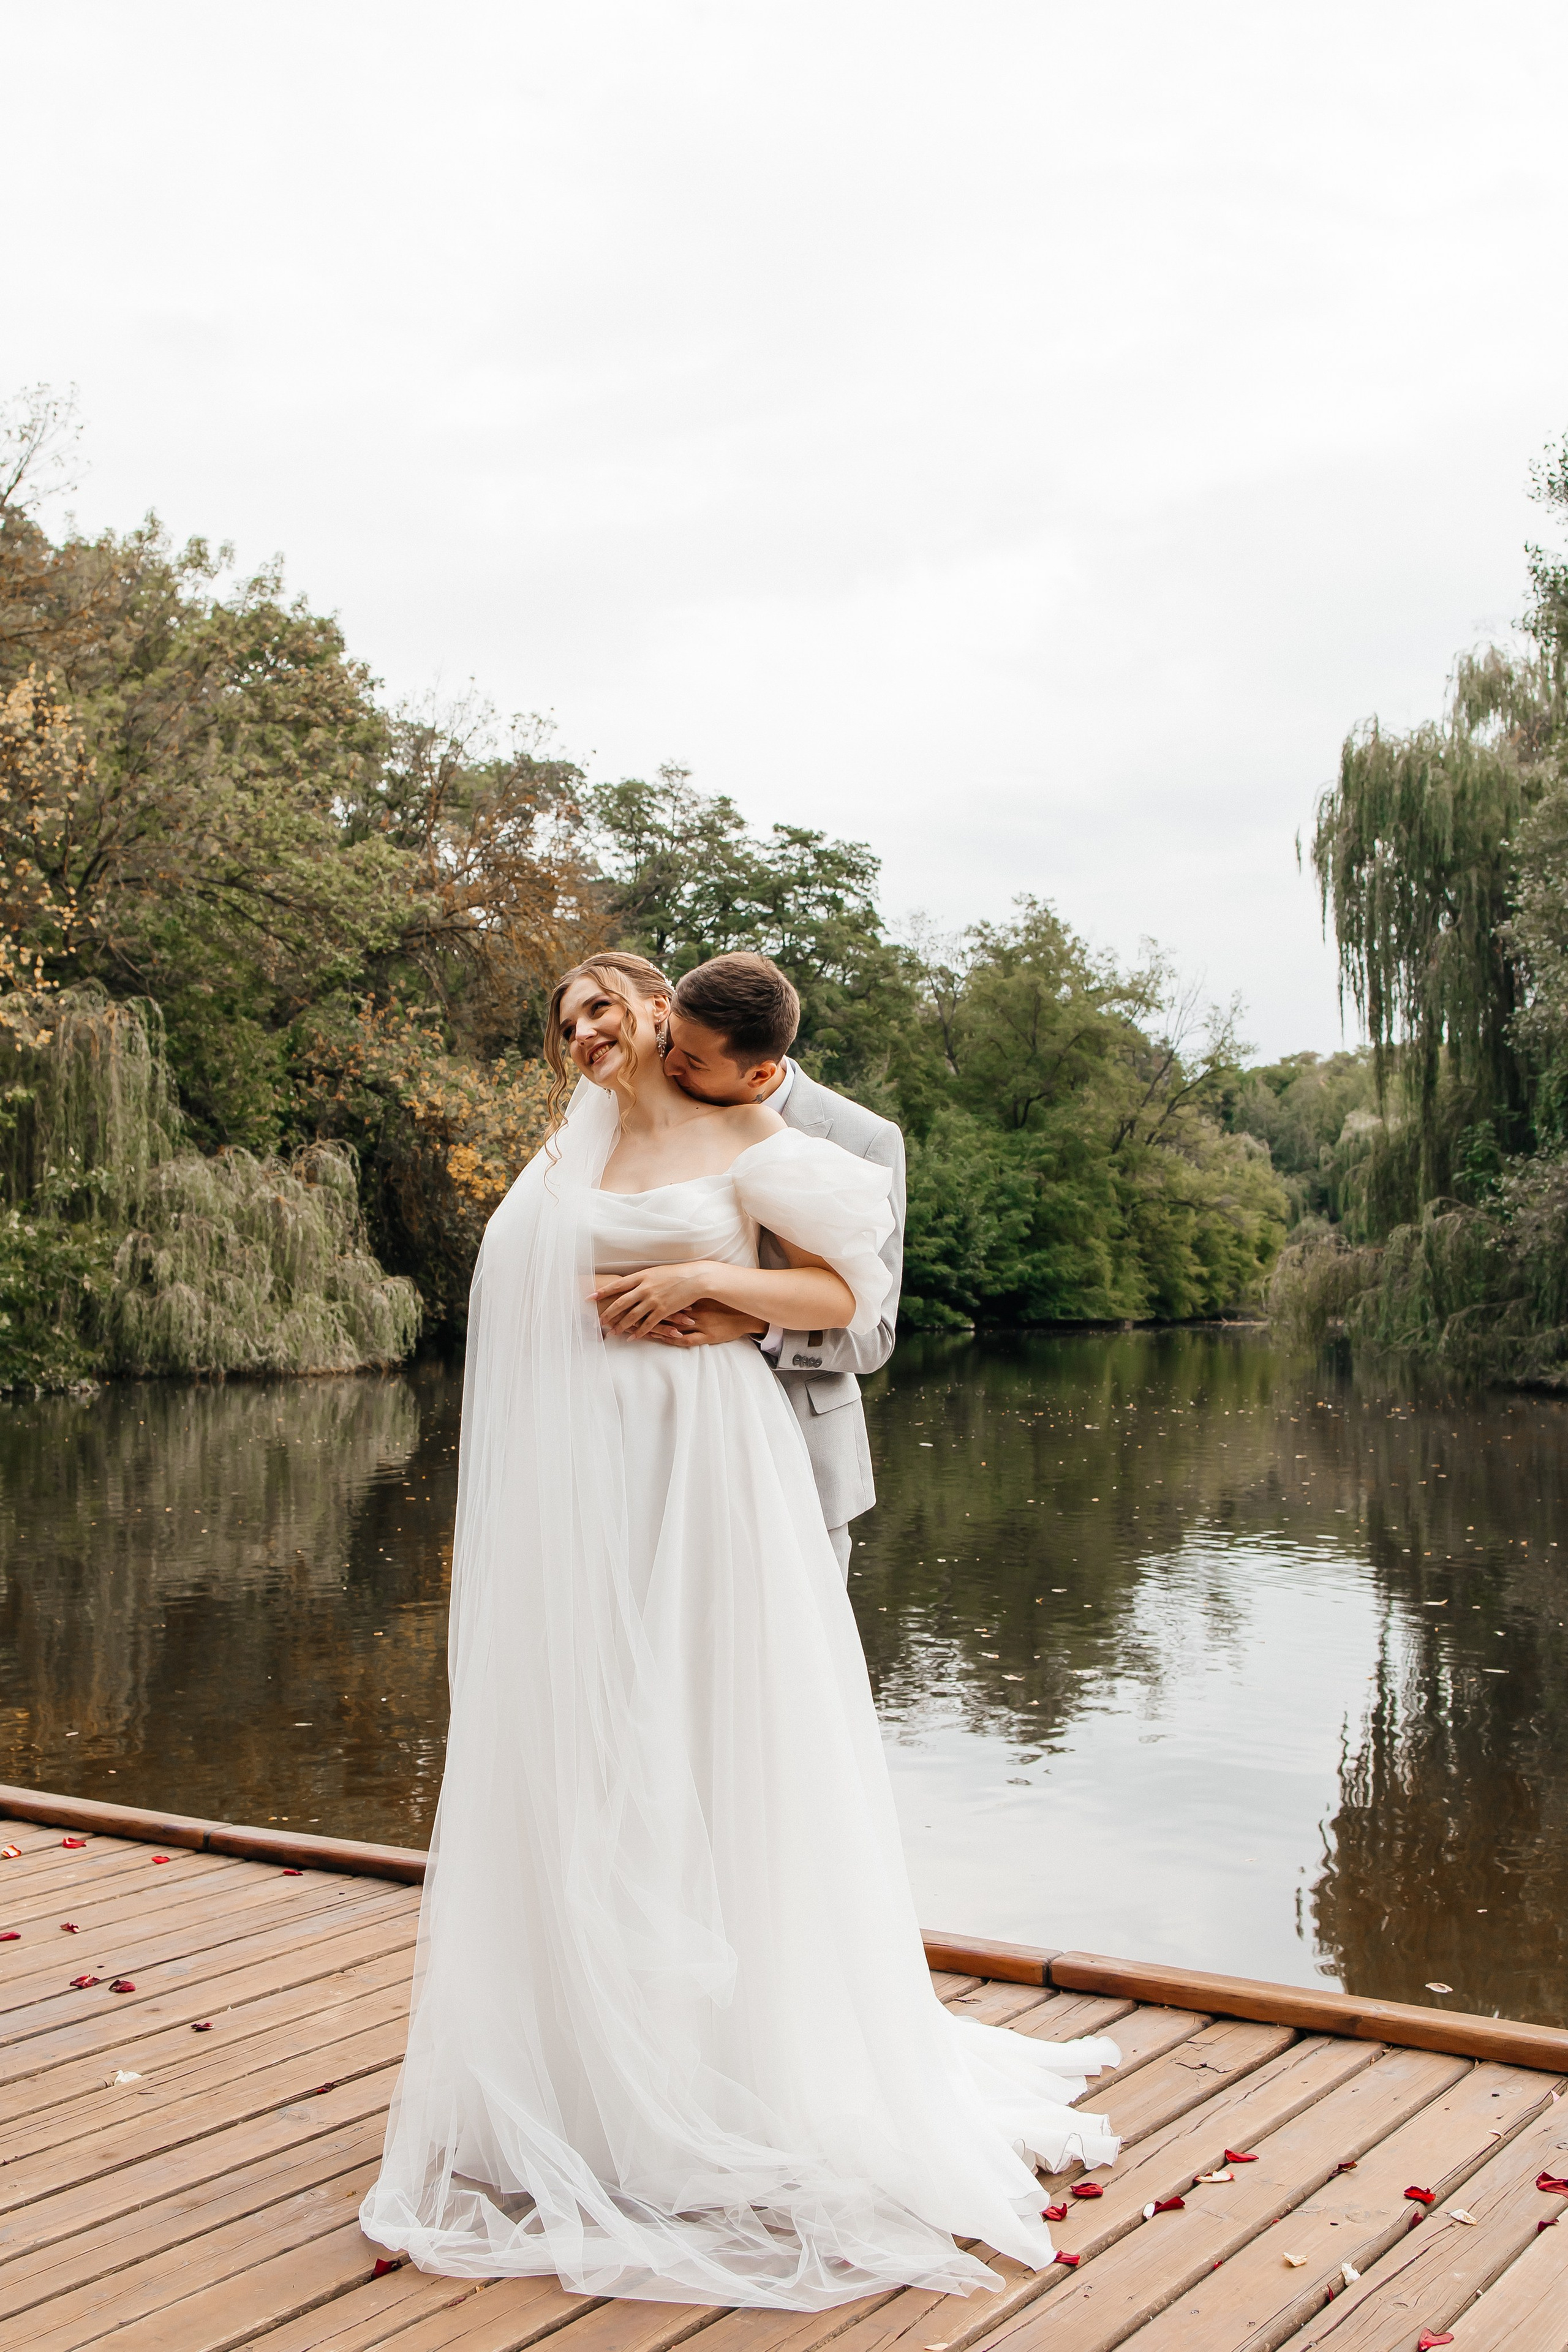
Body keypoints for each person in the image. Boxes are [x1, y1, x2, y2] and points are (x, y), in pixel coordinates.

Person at [361, 950, 1118, 2310]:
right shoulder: (566, 1148)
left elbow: (842, 1298)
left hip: (703, 1467)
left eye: (604, 1005)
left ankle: (735, 2063)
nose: (581, 1029)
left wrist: (720, 1291)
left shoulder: (753, 1133)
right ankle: (586, 2073)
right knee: (590, 1756)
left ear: (663, 1014)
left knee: (710, 1740)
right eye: (563, 1017)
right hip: (576, 1484)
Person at [646, 951, 902, 1582]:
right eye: (668, 1044)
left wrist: (751, 1322)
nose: (669, 1066)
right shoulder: (660, 1103)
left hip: (801, 1455)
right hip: (669, 1453)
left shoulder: (860, 1139)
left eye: (692, 1059)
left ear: (760, 1072)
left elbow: (874, 1335)